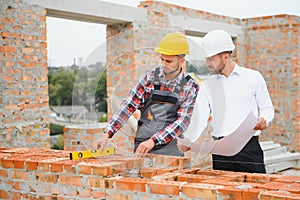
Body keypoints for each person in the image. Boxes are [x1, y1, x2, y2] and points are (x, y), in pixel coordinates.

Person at [178, 29, 274, 173]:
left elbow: (267, 108)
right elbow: (200, 117)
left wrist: (264, 119)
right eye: (206, 59)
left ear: (225, 56)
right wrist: (188, 138)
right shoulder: (208, 85)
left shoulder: (253, 77)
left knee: (255, 191)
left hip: (248, 149)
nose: (207, 63)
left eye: (211, 59)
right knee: (224, 193)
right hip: (221, 151)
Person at [95, 32, 199, 157]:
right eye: (162, 59)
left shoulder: (190, 86)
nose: (164, 64)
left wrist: (153, 141)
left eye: (169, 61)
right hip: (142, 145)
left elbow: (182, 122)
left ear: (181, 60)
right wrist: (107, 134)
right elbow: (128, 106)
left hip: (170, 149)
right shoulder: (149, 77)